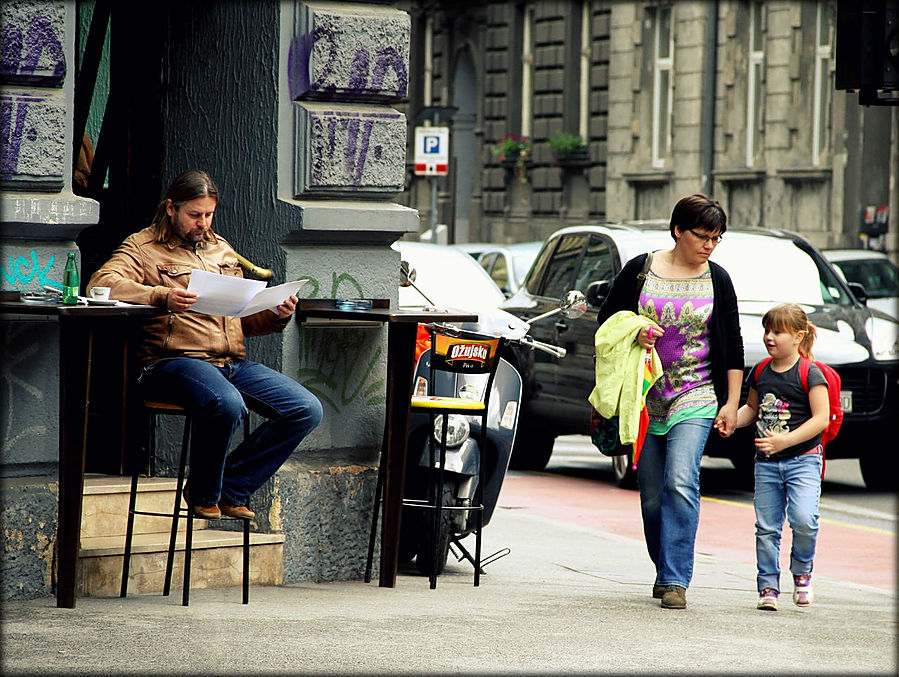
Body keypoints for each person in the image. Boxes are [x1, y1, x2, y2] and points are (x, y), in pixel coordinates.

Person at [88, 170, 323, 520]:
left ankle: (231, 488)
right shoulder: (143, 247)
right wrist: (161, 295)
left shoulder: (222, 249)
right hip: (170, 362)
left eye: (208, 214)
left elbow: (242, 319)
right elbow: (101, 284)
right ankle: (202, 493)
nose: (203, 223)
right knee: (227, 404)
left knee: (305, 408)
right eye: (194, 215)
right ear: (171, 208)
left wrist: (277, 314)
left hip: (228, 363)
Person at [597, 194, 744, 609]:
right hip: (644, 397)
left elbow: (732, 345)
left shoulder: (718, 279)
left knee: (681, 481)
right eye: (703, 236)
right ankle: (664, 568)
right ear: (678, 230)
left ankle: (676, 579)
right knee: (651, 497)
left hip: (696, 394)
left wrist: (731, 403)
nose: (710, 246)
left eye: (717, 238)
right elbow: (606, 321)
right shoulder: (640, 271)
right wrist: (636, 332)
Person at [735, 303, 829, 611]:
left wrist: (783, 441)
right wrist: (732, 420)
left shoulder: (810, 372)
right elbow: (751, 408)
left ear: (799, 337)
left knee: (804, 521)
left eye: (778, 331)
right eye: (767, 331)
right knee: (767, 528)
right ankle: (768, 587)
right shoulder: (760, 371)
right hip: (767, 464)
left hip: (803, 460)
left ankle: (802, 573)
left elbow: (821, 419)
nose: (769, 337)